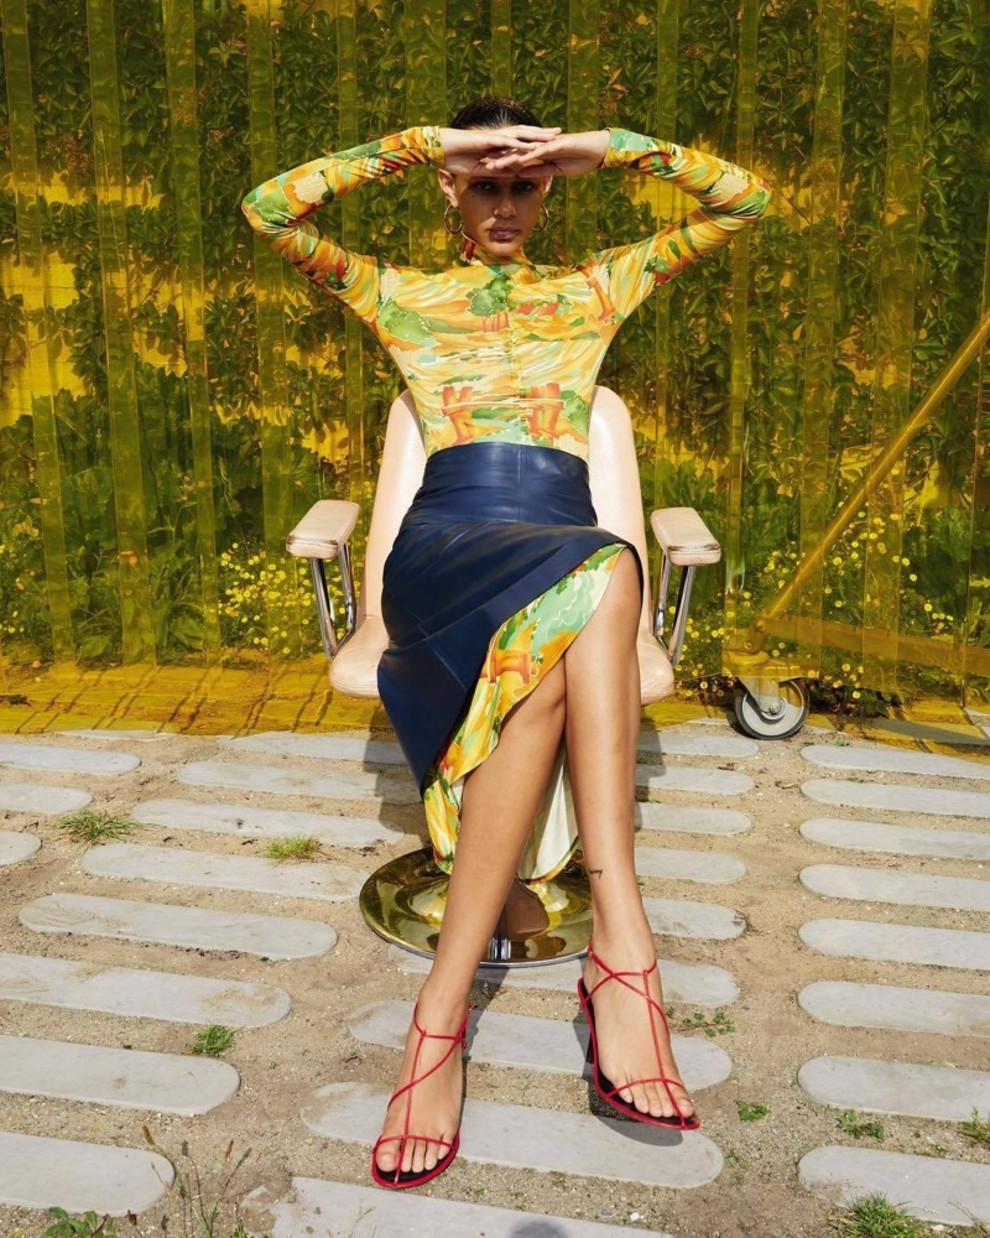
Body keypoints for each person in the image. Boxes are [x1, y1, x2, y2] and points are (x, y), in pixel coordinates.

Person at [241, 96, 772, 1191]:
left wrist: (598, 150)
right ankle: (625, 954)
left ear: (550, 189)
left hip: (563, 543)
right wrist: (428, 144)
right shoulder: (401, 294)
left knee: (588, 579)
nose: (504, 202)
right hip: (447, 545)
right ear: (451, 187)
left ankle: (438, 1019)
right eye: (483, 181)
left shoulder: (595, 290)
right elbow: (269, 209)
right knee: (601, 569)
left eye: (524, 183)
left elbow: (744, 200)